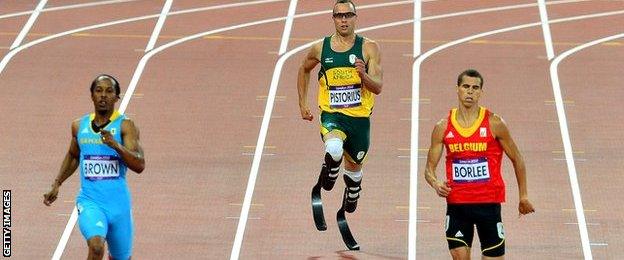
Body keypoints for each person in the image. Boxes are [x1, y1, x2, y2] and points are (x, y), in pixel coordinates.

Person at [423, 69, 535, 259]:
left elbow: (517, 158)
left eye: (475, 88)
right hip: (458, 205)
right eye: (466, 86)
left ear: (481, 92)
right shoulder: (442, 126)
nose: (470, 91)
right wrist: (436, 184)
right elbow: (428, 169)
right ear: (457, 89)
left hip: (489, 204)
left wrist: (523, 196)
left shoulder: (494, 123)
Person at [43, 74, 145, 260]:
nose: (103, 95)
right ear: (91, 96)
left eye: (109, 91)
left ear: (116, 97)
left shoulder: (126, 126)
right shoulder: (78, 126)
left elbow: (139, 165)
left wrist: (116, 146)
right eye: (98, 91)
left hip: (119, 205)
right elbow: (73, 155)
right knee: (96, 247)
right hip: (91, 202)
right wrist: (57, 183)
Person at [297, 0, 383, 213]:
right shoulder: (320, 48)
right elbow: (304, 69)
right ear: (333, 18)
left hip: (359, 118)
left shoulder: (369, 48)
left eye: (348, 15)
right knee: (334, 148)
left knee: (354, 168)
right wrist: (302, 104)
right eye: (339, 15)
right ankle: (332, 167)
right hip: (332, 114)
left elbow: (378, 87)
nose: (344, 20)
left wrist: (363, 75)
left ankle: (353, 189)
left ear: (355, 18)